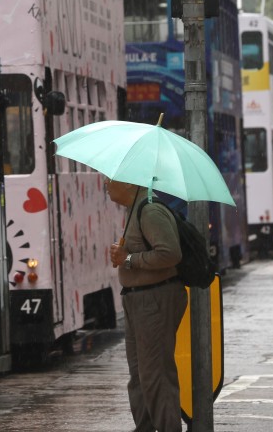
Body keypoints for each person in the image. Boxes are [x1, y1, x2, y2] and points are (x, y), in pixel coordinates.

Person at [108, 178, 186, 432]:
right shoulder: (134, 209)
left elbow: (170, 254)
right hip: (136, 299)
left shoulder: (150, 210)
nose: (107, 184)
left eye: (111, 179)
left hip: (154, 299)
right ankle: (144, 427)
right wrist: (124, 254)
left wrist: (129, 259)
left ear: (130, 184)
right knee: (140, 375)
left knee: (156, 375)